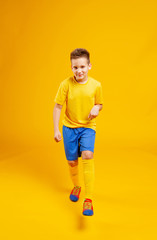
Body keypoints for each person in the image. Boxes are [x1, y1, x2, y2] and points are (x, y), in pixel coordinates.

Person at [53, 48, 103, 216]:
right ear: (71, 67)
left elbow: (100, 104)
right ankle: (76, 186)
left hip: (88, 127)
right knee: (72, 162)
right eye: (75, 67)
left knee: (88, 155)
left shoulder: (96, 85)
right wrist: (56, 129)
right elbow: (58, 106)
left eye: (82, 66)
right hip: (69, 128)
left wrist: (97, 107)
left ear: (89, 66)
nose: (79, 71)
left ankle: (88, 199)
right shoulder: (65, 84)